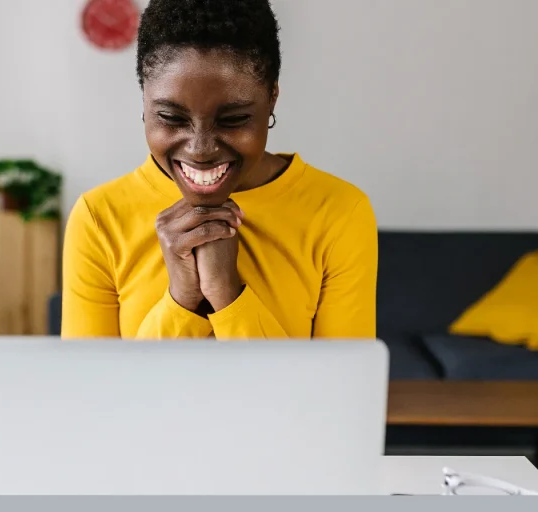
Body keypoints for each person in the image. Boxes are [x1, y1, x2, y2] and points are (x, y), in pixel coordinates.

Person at [61, 0, 377, 340]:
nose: (201, 149)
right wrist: (182, 298)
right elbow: (95, 388)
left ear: (271, 99)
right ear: (145, 101)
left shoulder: (340, 212)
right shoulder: (98, 219)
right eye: (171, 117)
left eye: (233, 119)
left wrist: (226, 292)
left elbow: (336, 388)